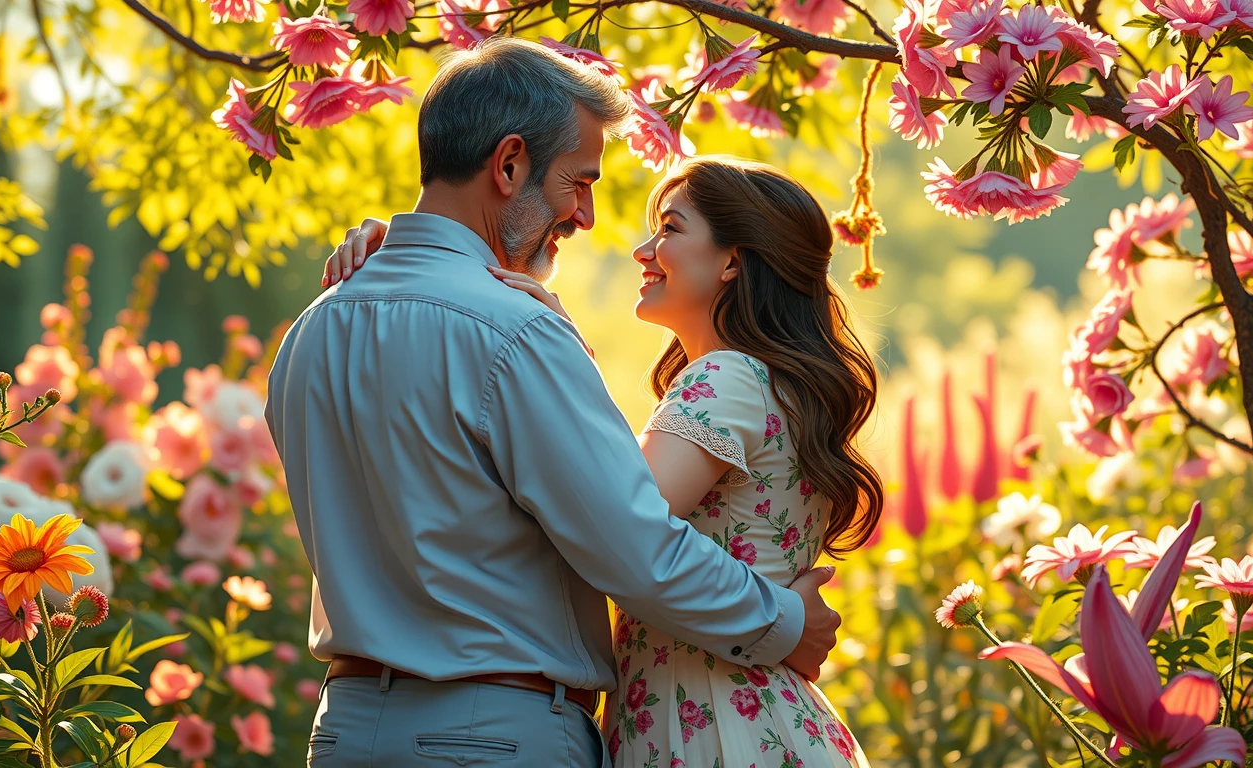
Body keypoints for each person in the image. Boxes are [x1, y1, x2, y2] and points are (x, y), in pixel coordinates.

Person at [266, 38, 843, 768]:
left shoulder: (315, 327)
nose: (588, 216)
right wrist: (786, 622)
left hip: (344, 734)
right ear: (509, 165)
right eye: (579, 181)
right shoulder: (517, 331)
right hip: (491, 737)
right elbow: (634, 549)